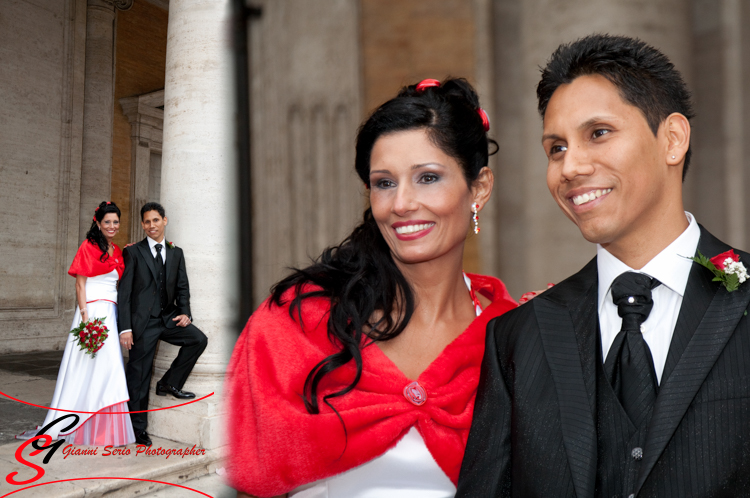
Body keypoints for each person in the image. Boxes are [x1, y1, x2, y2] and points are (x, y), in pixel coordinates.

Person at [457, 34, 750, 497]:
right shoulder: (519, 337)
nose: (569, 167)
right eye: (555, 148)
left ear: (672, 139)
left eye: (598, 133)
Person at [226, 78, 518, 498]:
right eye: (384, 183)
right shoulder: (296, 322)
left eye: (428, 178)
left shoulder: (517, 339)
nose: (401, 204)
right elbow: (245, 468)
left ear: (479, 188)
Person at [18, 201, 135, 446]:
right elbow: (80, 284)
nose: (112, 226)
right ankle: (76, 423)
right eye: (107, 222)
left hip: (111, 314)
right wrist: (84, 317)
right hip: (91, 313)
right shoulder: (88, 246)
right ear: (98, 223)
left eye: (115, 222)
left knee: (110, 368)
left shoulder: (118, 250)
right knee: (84, 368)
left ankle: (107, 429)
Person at [118, 202, 207, 447]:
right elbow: (124, 293)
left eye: (155, 220)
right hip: (142, 324)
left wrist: (185, 312)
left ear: (164, 221)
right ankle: (137, 430)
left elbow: (182, 287)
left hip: (168, 318)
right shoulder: (134, 252)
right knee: (139, 375)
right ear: (142, 225)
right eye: (147, 222)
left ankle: (170, 382)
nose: (151, 226)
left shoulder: (176, 252)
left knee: (198, 339)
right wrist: (125, 328)